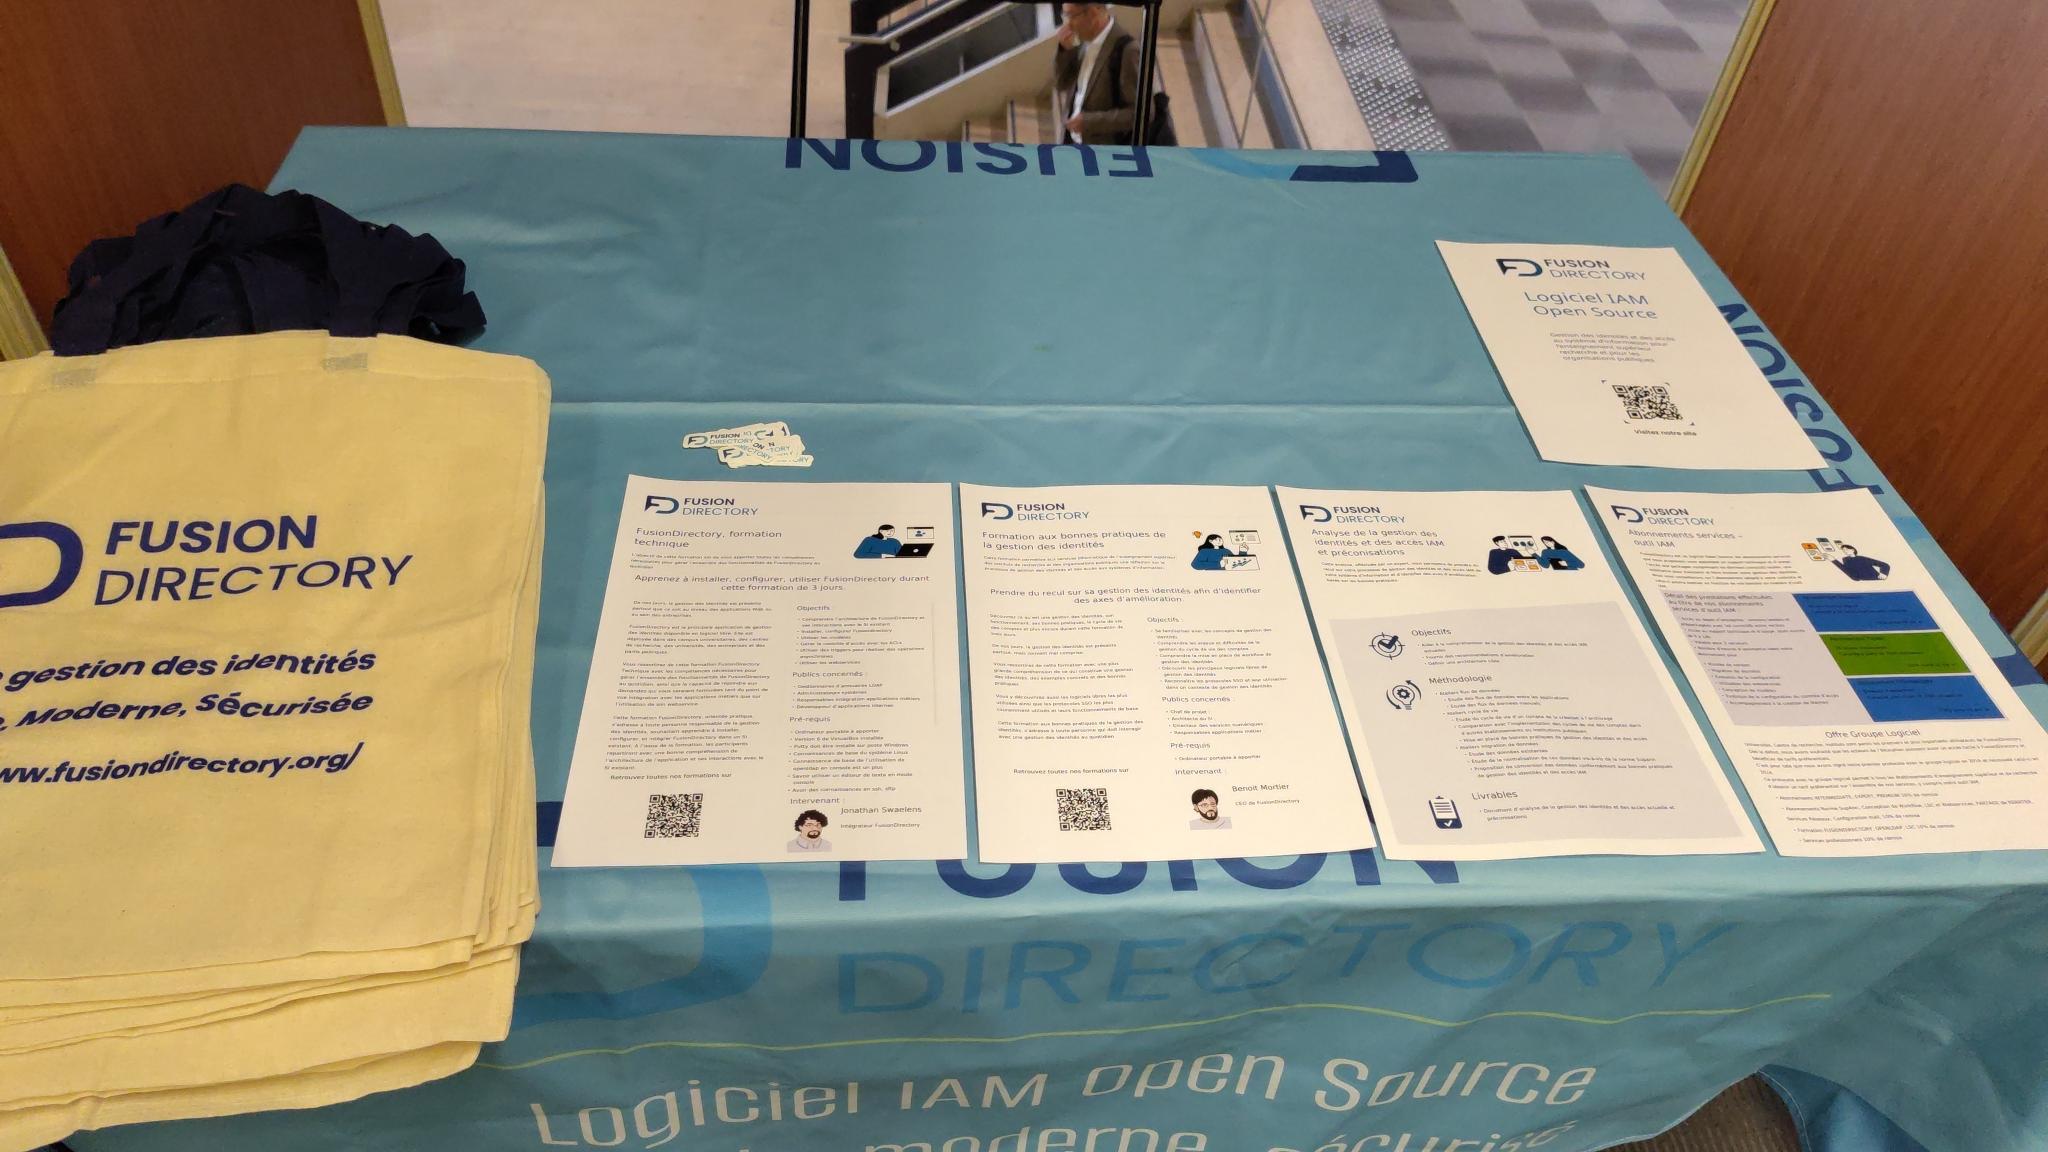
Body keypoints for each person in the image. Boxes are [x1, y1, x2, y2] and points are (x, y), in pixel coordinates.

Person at [1053, 3, 1142, 146]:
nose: (1067, 25)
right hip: (1073, 144)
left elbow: (1140, 113)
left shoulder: (1126, 50)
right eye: (1065, 16)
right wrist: (1065, 50)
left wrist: (1089, 122)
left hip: (1104, 151)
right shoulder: (1081, 42)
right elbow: (1061, 84)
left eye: (1071, 16)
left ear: (1093, 12)